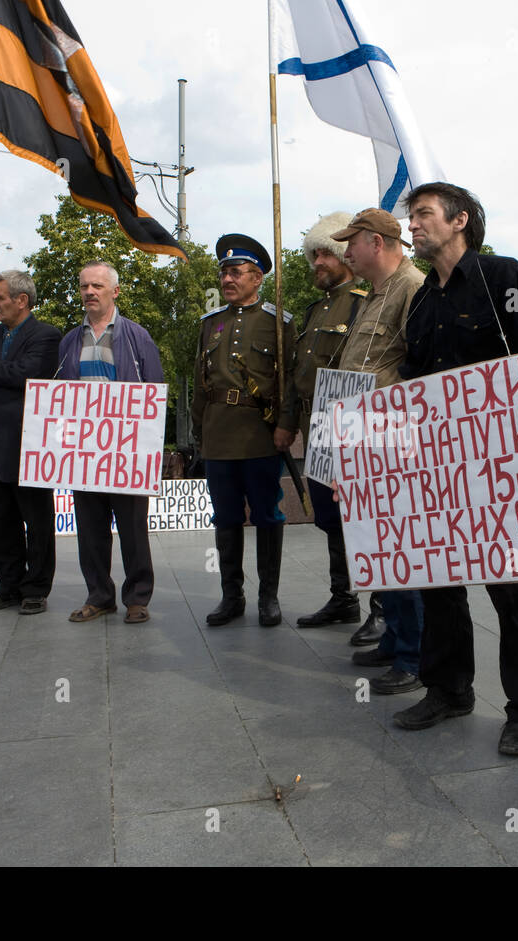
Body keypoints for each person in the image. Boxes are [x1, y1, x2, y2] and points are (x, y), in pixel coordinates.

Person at [394, 182, 518, 755]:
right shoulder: (422, 300)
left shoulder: (502, 278)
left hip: (498, 465)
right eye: (410, 217)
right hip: (437, 466)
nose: (412, 226)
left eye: (422, 215)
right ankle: (448, 689)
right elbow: (411, 384)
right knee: (438, 582)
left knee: (511, 588)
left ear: (459, 220)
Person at [330, 206, 429, 694]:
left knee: (402, 548)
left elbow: (417, 366)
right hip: (364, 439)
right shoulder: (373, 294)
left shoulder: (412, 287)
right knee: (380, 546)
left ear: (376, 242)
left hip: (393, 439)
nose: (345, 251)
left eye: (352, 241)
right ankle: (395, 638)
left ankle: (414, 657)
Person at [192, 234, 296, 627]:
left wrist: (287, 426)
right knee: (226, 518)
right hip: (219, 436)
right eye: (224, 273)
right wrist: (200, 434)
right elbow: (201, 382)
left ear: (258, 278)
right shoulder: (210, 323)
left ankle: (268, 596)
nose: (227, 280)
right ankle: (230, 596)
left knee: (268, 516)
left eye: (236, 273)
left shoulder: (278, 323)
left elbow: (290, 381)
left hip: (260, 435)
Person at [273, 212, 367, 629]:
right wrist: (288, 422)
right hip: (317, 426)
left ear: (346, 254)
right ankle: (343, 598)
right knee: (329, 516)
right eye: (314, 256)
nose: (317, 264)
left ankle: (381, 608)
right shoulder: (314, 311)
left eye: (324, 255)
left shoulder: (365, 303)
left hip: (355, 426)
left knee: (363, 516)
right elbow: (298, 374)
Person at [57, 261, 162, 624]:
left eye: (98, 286)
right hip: (85, 451)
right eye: (85, 286)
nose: (89, 292)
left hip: (127, 451)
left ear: (114, 291)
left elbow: (155, 392)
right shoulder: (70, 340)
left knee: (133, 527)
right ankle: (99, 595)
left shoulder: (139, 336)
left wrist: (149, 449)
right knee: (90, 528)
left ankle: (137, 598)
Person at [0, 270, 61, 616]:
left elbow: (27, 376)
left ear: (22, 300)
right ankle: (8, 586)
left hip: (29, 446)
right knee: (0, 524)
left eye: (0, 298)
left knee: (37, 523)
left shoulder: (46, 336)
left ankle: (35, 588)